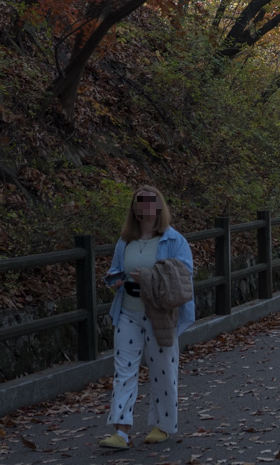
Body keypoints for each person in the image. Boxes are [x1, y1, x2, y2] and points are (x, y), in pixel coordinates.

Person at [99, 186, 195, 449]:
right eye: (140, 204)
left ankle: (163, 426)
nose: (145, 210)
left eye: (150, 204)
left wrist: (152, 277)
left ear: (159, 208)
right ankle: (121, 431)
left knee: (163, 370)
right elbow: (117, 268)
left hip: (159, 314)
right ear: (135, 209)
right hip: (127, 311)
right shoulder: (125, 241)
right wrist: (114, 279)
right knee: (124, 371)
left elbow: (184, 275)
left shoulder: (174, 241)